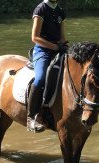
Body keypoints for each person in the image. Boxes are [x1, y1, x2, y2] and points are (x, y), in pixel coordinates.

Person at [27, 0, 67, 132]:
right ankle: (31, 117)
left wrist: (62, 44)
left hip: (58, 48)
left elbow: (62, 35)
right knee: (40, 79)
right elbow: (35, 37)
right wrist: (55, 46)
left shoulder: (60, 11)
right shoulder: (41, 9)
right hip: (42, 50)